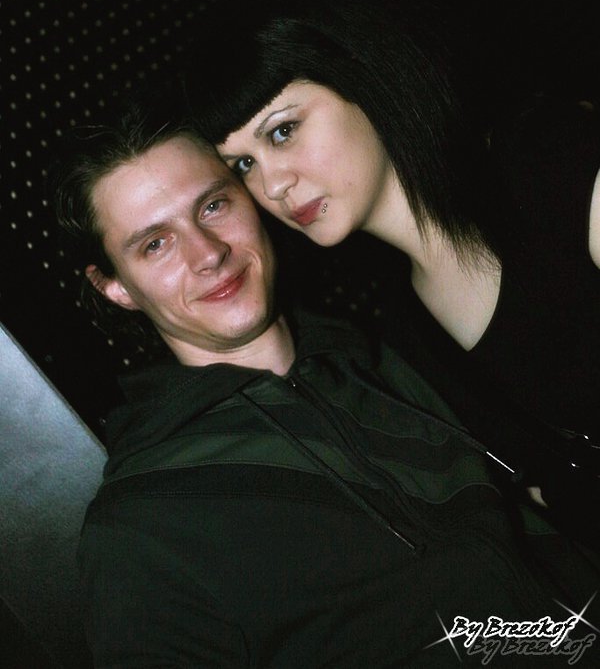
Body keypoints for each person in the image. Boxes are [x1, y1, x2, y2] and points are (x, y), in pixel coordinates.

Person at [52, 100, 600, 668]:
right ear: (114, 286)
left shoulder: (400, 360)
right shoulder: (140, 526)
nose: (208, 254)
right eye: (155, 244)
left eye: (213, 206)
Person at [181, 0, 600, 545]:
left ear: (363, 80)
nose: (272, 185)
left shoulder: (546, 164)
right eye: (243, 165)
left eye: (281, 132)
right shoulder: (402, 335)